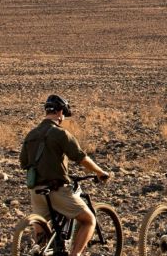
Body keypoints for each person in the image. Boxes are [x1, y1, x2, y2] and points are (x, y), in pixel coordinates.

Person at [19, 94, 110, 256]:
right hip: (56, 190)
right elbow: (81, 157)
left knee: (41, 232)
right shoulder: (60, 134)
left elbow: (23, 162)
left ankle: (38, 248)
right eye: (64, 114)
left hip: (36, 192)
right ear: (60, 112)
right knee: (89, 220)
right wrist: (100, 172)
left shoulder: (31, 134)